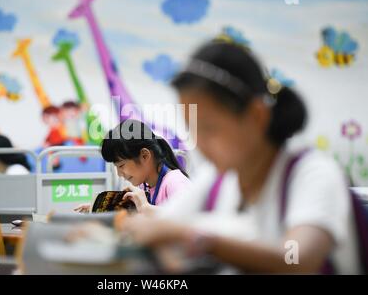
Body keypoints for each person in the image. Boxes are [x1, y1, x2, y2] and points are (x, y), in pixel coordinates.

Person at [120, 40, 361, 274]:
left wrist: (197, 238)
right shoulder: (217, 178)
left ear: (257, 116)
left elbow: (297, 259)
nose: (200, 144)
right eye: (193, 129)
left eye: (210, 129)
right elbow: (164, 226)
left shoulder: (313, 173)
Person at [75, 119, 191, 214]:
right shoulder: (144, 186)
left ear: (145, 156)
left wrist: (145, 207)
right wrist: (100, 208)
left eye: (121, 165)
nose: (119, 174)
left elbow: (192, 219)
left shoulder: (175, 182)